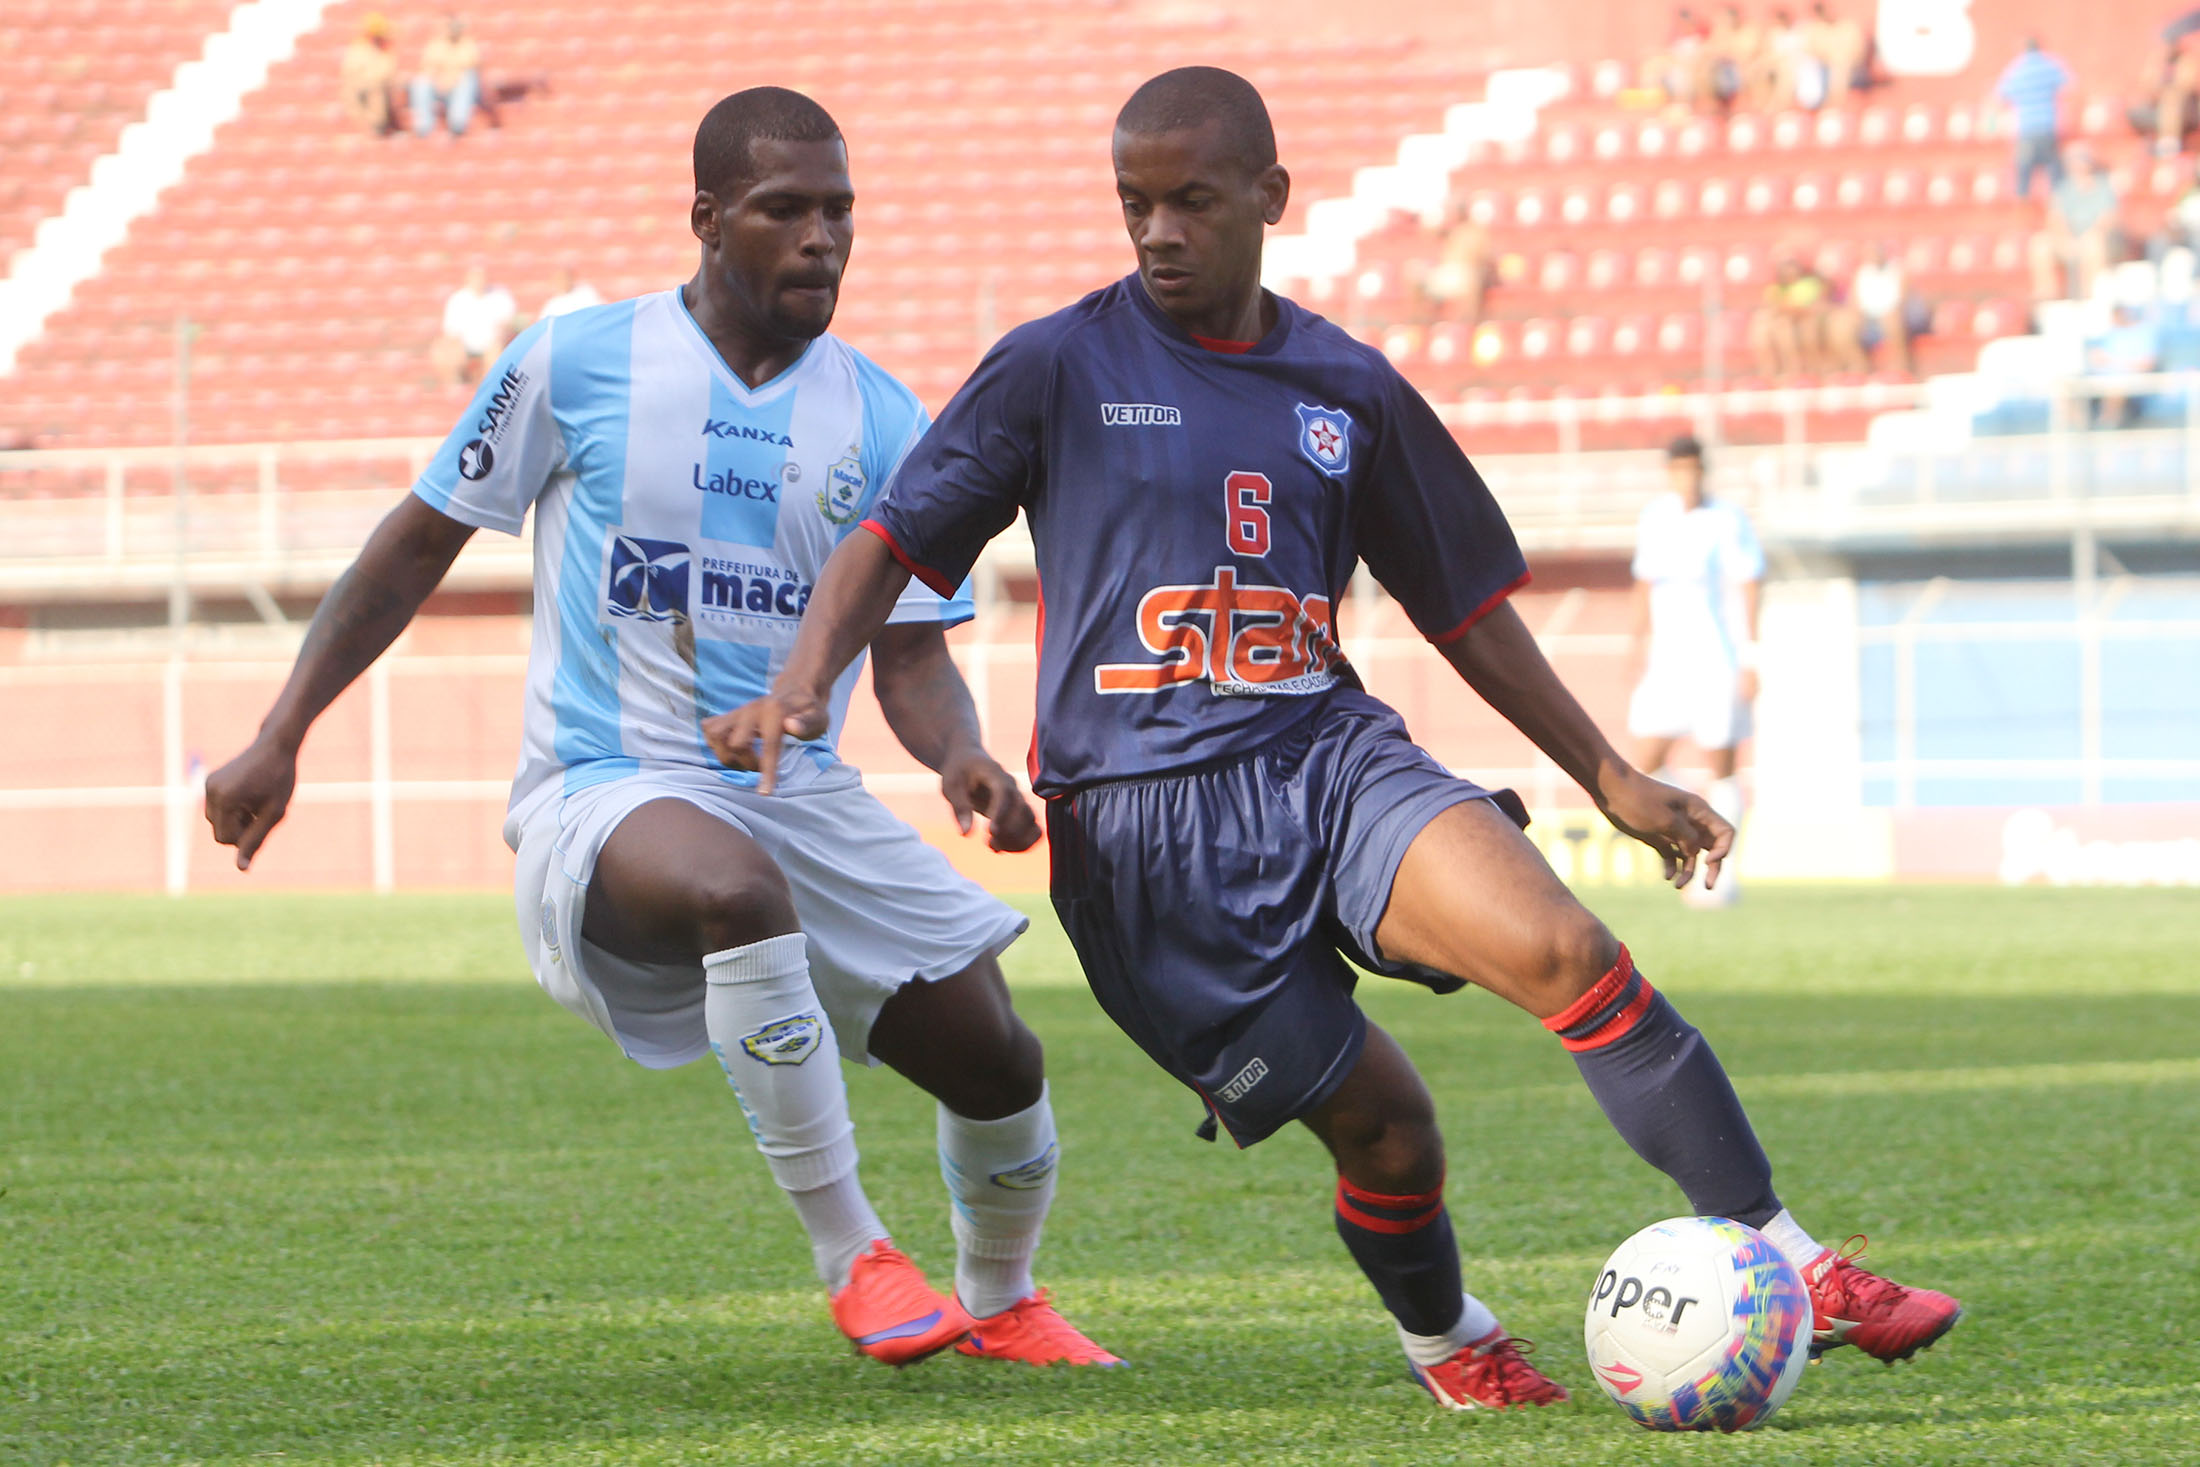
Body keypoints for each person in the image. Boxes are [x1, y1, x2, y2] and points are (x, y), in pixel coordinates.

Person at [710, 67, 1962, 1414]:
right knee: (1391, 1130)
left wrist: (1613, 774)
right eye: (1135, 203)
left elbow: (1465, 608)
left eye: (1191, 200)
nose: (1158, 231)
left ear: (1271, 197)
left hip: (1324, 754)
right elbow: (892, 542)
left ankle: (1788, 1255)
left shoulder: (1345, 385)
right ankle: (1450, 1338)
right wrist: (801, 676)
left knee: (1569, 947)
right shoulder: (1057, 364)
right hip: (1142, 843)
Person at [204, 87, 1117, 1371]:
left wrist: (961, 753)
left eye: (840, 212)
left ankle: (1003, 1299)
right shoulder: (577, 361)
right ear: (705, 218)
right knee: (733, 886)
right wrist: (282, 731)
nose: (822, 239)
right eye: (784, 210)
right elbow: (414, 545)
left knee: (997, 1058)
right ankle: (854, 1251)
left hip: (798, 796)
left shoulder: (884, 418)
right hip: (604, 788)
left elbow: (908, 656)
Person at [1627, 437, 1762, 911]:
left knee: (1720, 762)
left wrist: (1750, 655)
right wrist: (1636, 640)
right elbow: (1644, 582)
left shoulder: (1727, 520)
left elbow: (1749, 583)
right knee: (1643, 758)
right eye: (1680, 469)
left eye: (1694, 469)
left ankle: (1722, 872)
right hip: (1668, 661)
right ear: (1671, 472)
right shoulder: (1656, 518)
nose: (1688, 478)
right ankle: (1691, 816)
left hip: (1715, 659)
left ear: (1703, 471)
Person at [2027, 147, 2125, 302]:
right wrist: (2067, 238)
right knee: (2040, 243)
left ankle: (2090, 294)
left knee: (2092, 244)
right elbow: (2055, 218)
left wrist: (2090, 234)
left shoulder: (2104, 186)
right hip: (2070, 240)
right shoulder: (2064, 189)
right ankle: (2048, 293)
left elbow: (2109, 218)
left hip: (2097, 239)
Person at [1995, 37, 2072, 200]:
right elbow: (2068, 83)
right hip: (2047, 126)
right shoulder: (2049, 65)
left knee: (2024, 174)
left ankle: (2023, 211)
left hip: (2026, 129)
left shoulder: (2017, 68)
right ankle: (2058, 207)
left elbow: (2001, 93)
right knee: (2054, 172)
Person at [430, 264, 516, 387]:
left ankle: (489, 387)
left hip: (493, 344)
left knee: (495, 351)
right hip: (464, 345)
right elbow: (451, 332)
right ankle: (454, 385)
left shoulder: (500, 296)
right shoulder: (458, 299)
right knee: (441, 350)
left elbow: (507, 324)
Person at [1751, 256, 1832, 379]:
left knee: (1792, 327)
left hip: (1806, 323)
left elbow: (1811, 309)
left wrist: (1788, 310)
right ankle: (1770, 371)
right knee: (1767, 326)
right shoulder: (1775, 289)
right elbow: (1772, 309)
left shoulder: (1808, 285)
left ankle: (1797, 369)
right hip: (1783, 324)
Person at [1850, 242, 1920, 376]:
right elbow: (1854, 302)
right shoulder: (1861, 273)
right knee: (1843, 328)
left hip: (1893, 315)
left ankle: (1902, 367)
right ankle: (1858, 368)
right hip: (1868, 319)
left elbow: (1903, 299)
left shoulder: (1896, 270)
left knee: (1892, 321)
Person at [410, 13, 482, 139]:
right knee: (420, 83)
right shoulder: (435, 44)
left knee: (468, 79)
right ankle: (424, 125)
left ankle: (458, 122)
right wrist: (439, 80)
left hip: (457, 86)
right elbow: (428, 68)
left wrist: (451, 78)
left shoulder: (467, 44)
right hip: (439, 85)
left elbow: (469, 66)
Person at [338, 12, 398, 137]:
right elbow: (350, 72)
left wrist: (371, 81)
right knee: (351, 94)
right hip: (359, 87)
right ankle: (363, 128)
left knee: (376, 93)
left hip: (376, 88)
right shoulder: (357, 49)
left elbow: (386, 73)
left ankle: (378, 127)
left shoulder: (385, 51)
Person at [536, 265, 603, 319]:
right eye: (559, 279)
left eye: (564, 279)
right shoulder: (552, 304)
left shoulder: (586, 294)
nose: (562, 282)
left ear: (571, 279)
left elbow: (598, 313)